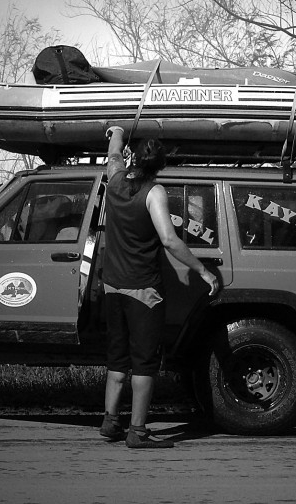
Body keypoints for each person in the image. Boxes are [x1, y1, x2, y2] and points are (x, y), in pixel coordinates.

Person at [99, 126, 219, 449]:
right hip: (143, 291)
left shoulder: (113, 180)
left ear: (132, 158)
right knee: (144, 361)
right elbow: (169, 239)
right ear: (159, 166)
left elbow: (112, 154)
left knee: (117, 358)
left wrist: (117, 132)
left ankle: (110, 421)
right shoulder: (155, 192)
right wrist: (202, 270)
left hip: (112, 286)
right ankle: (137, 432)